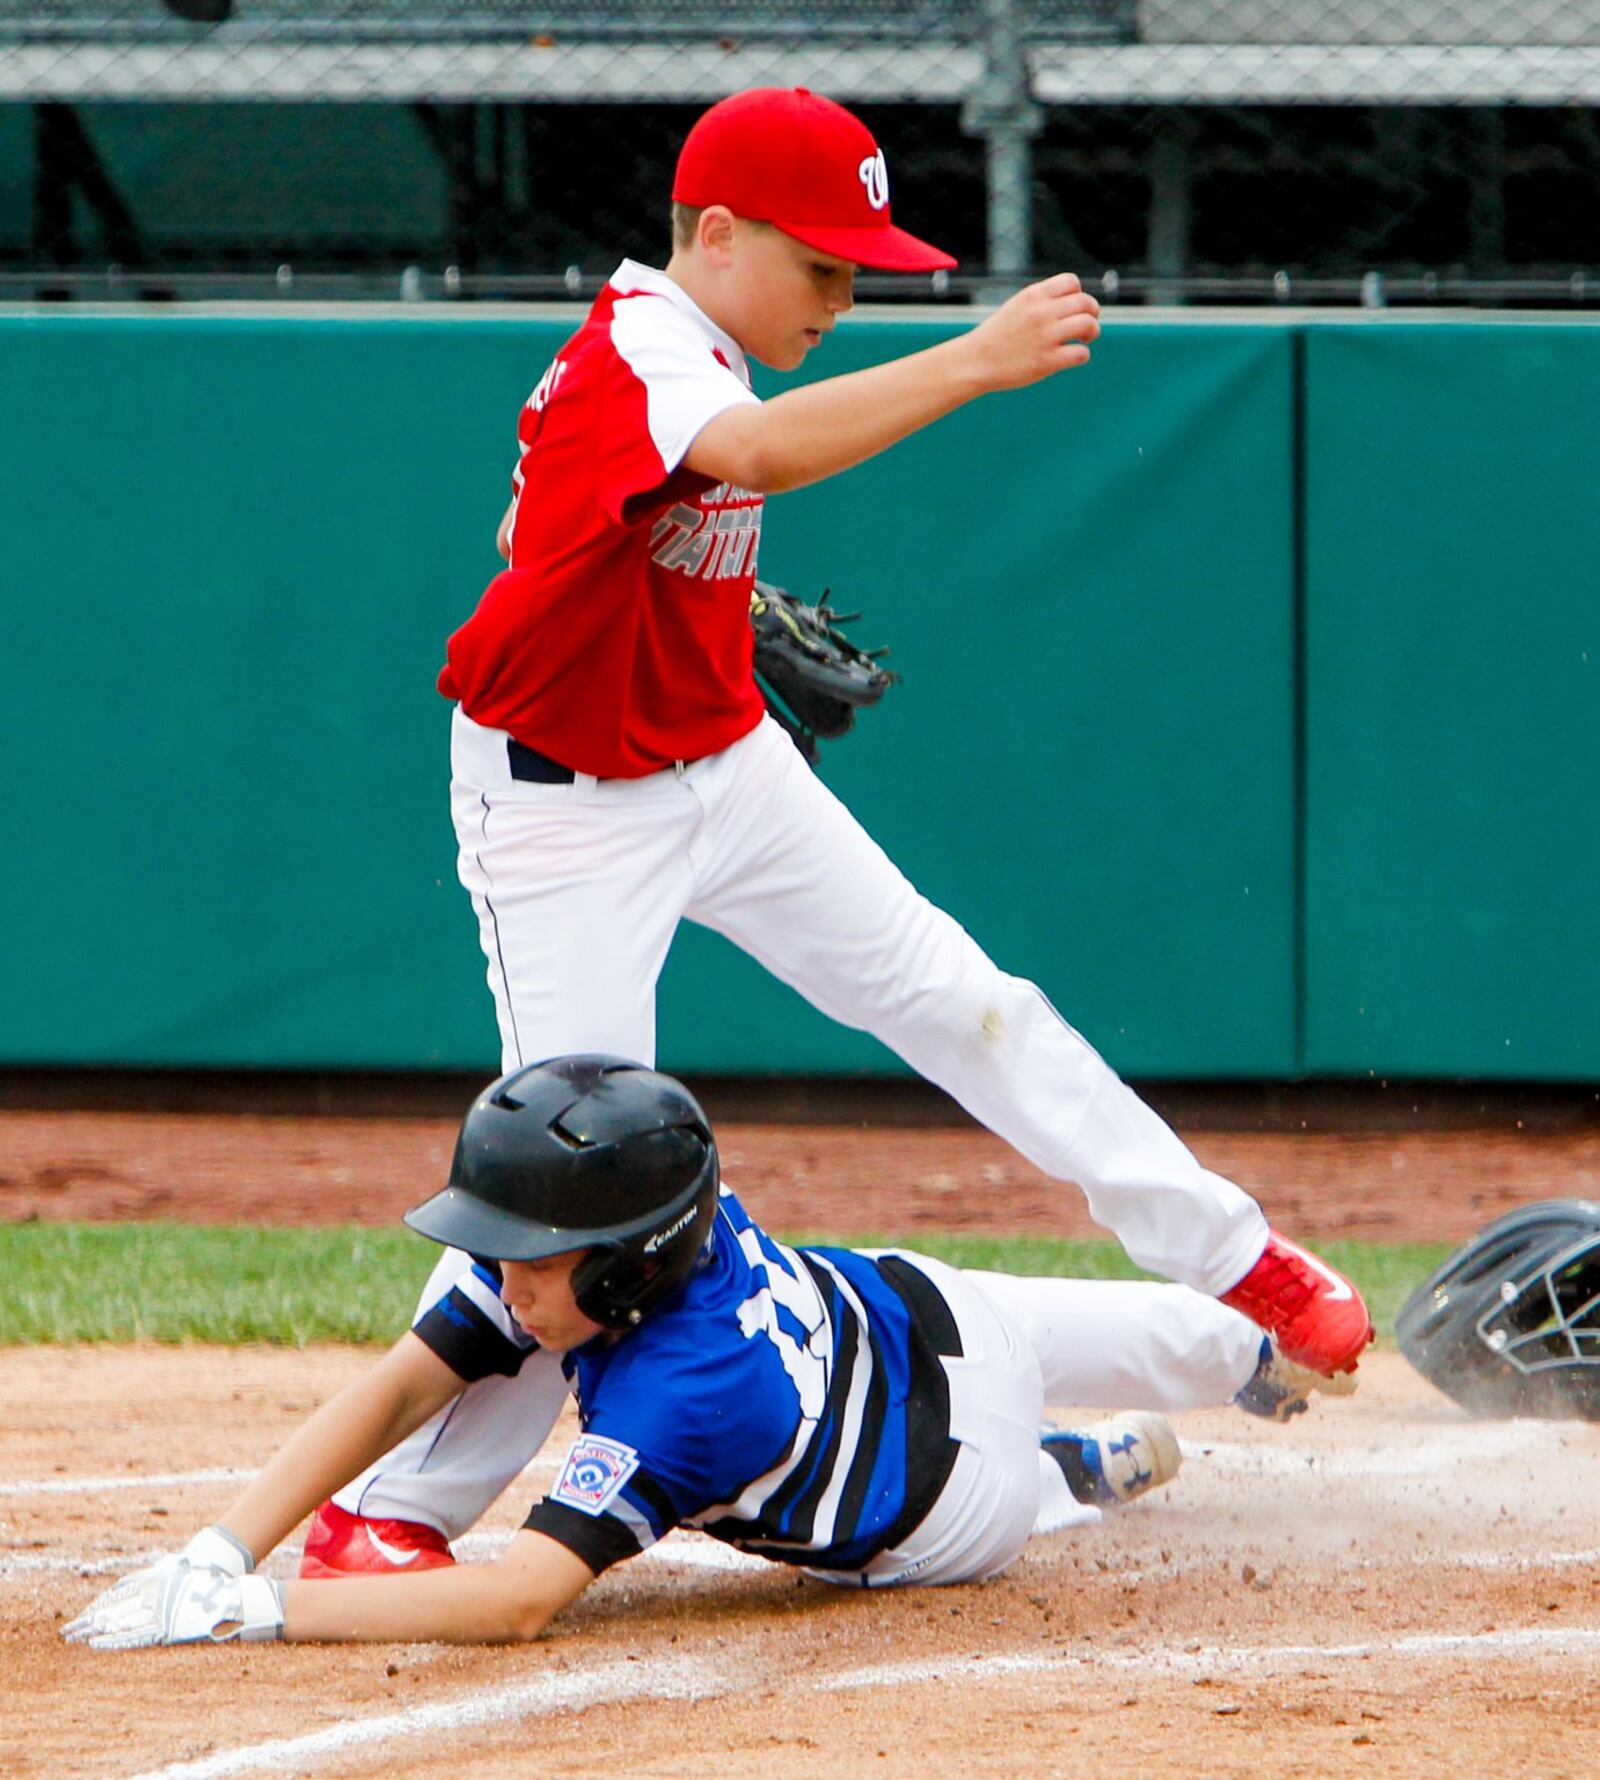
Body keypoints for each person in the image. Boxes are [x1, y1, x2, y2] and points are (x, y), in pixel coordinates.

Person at [303, 84, 1371, 1580]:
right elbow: (758, 453)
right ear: (719, 233)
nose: (848, 292)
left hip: (720, 757)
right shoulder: (646, 349)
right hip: (567, 812)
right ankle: (392, 1511)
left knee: (966, 999)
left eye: (860, 266)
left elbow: (552, 521)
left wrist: (687, 612)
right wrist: (977, 363)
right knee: (577, 1186)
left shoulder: (673, 362)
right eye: (824, 262)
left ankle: (1234, 1261)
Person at [64, 1059, 1351, 1650]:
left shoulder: (689, 1390)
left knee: (1025, 1488)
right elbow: (402, 1380)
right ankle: (1210, 1372)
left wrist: (260, 1608)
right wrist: (214, 1546)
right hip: (931, 1315)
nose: (502, 1277)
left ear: (624, 1265)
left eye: (530, 1252)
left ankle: (1075, 1464)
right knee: (1180, 1342)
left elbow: (518, 1599)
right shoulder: (638, 1246)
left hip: (943, 1508)